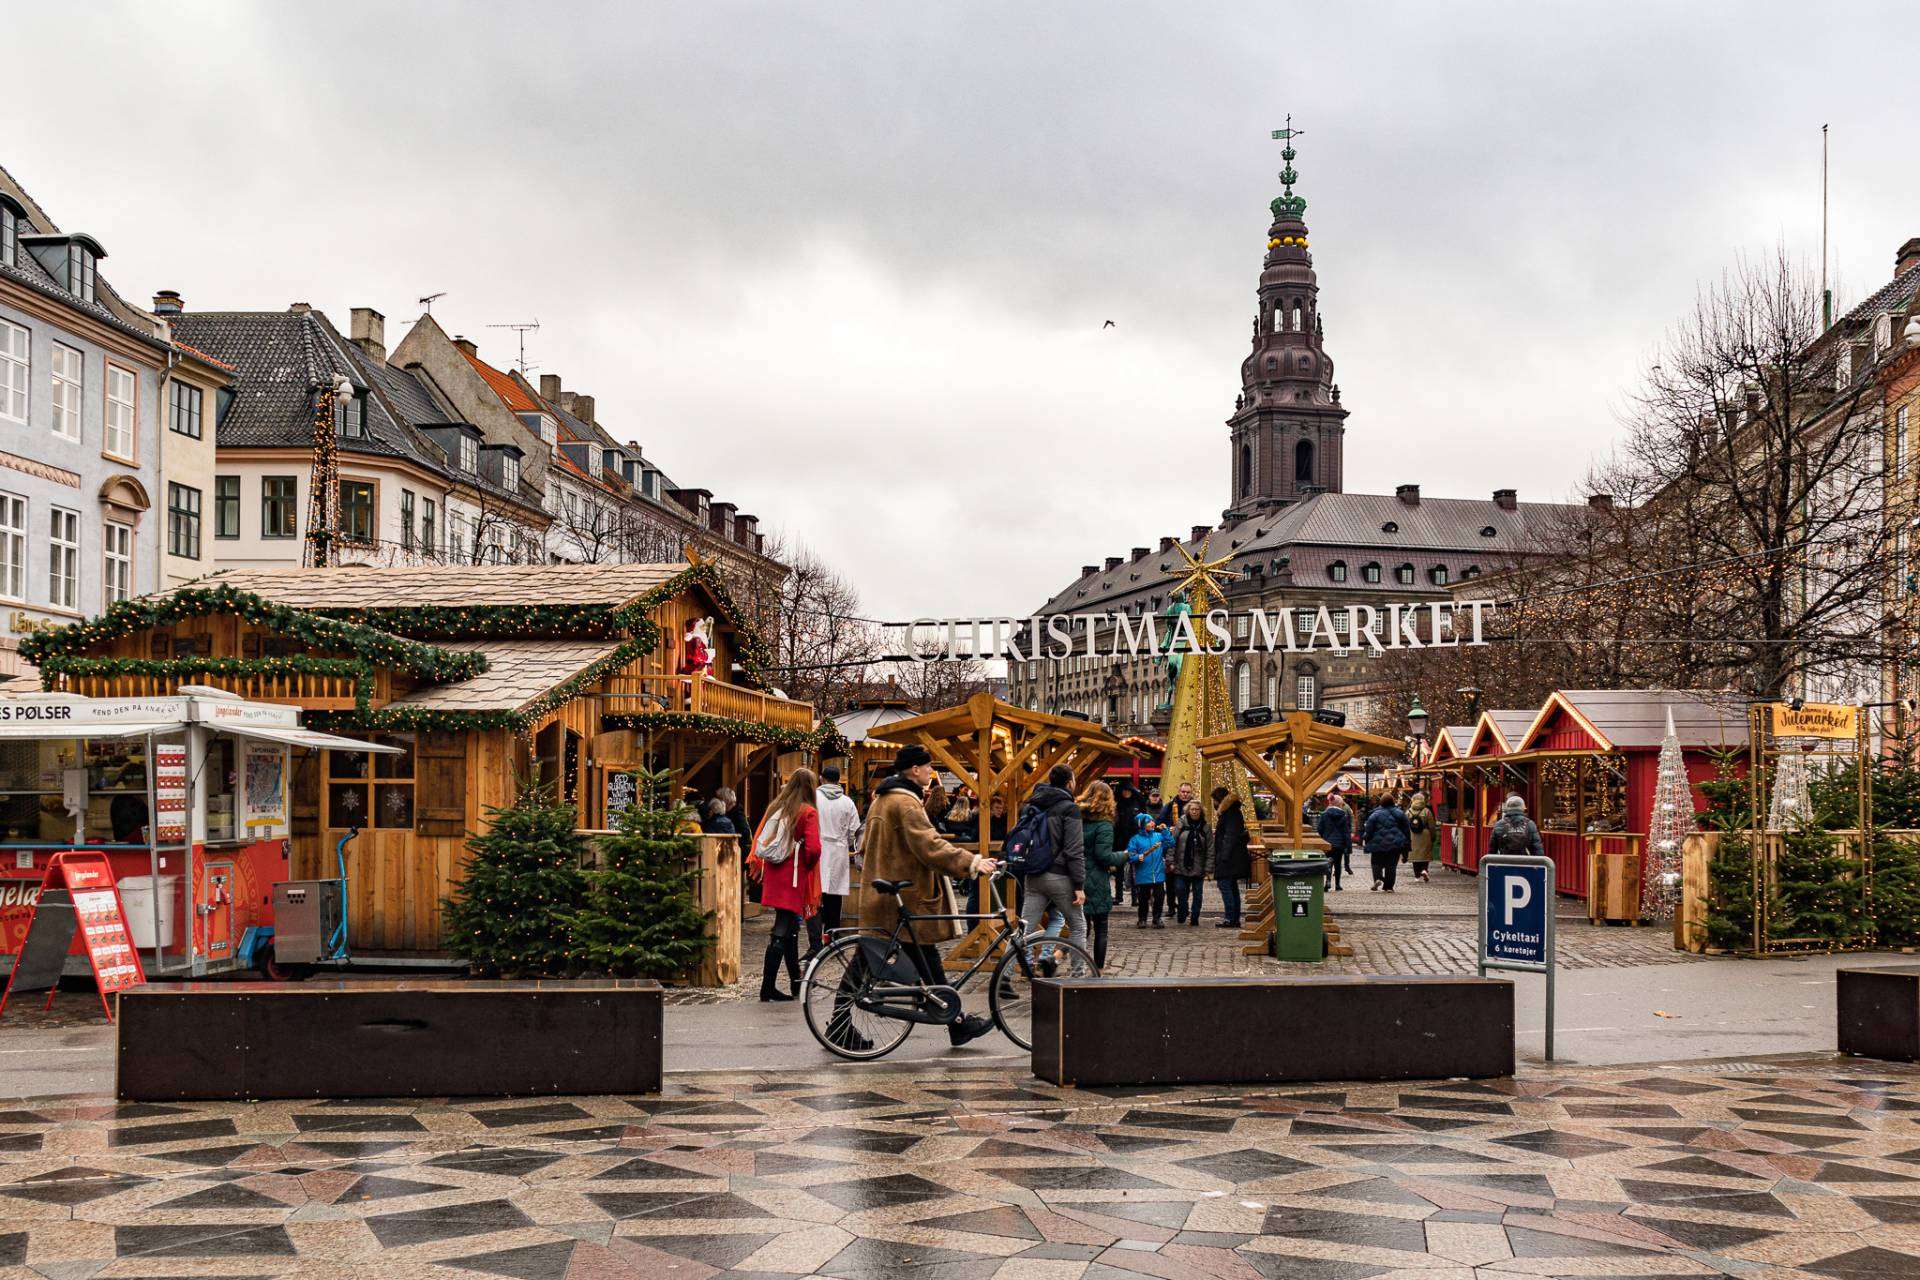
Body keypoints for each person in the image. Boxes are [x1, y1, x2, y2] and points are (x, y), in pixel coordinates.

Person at [852, 746, 1001, 1047]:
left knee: (904, 957)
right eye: (928, 767)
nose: (931, 772)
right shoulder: (905, 803)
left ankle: (955, 1021)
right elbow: (930, 845)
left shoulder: (882, 798)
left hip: (884, 892)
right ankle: (955, 1022)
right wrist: (972, 863)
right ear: (915, 769)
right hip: (904, 895)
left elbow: (868, 843)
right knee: (878, 960)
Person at [753, 769, 822, 1002]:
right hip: (793, 876)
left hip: (775, 874)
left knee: (791, 929)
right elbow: (813, 850)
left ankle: (795, 984)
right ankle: (767, 988)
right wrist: (807, 861)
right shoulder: (808, 812)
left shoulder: (777, 807)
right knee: (783, 930)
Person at [1016, 764, 1087, 967]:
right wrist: (1079, 885)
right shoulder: (1069, 808)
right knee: (1078, 927)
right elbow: (1074, 850)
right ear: (1069, 782)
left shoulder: (1032, 804)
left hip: (1033, 874)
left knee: (1024, 930)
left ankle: (1005, 975)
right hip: (1059, 875)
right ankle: (1078, 978)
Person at [1077, 780, 1124, 969]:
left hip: (1076, 875)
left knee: (1080, 927)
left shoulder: (1077, 819)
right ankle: (1098, 968)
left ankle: (1073, 962)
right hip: (1096, 878)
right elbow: (1104, 856)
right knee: (1101, 927)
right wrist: (1124, 856)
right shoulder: (1104, 825)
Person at [813, 765, 863, 942]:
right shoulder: (847, 802)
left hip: (818, 848)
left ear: (821, 778)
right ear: (839, 780)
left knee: (817, 892)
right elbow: (855, 830)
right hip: (838, 850)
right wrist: (846, 843)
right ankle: (832, 932)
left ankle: (815, 934)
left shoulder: (814, 799)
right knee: (834, 894)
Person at [1211, 786, 1250, 928]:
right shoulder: (1232, 812)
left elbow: (1230, 836)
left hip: (1229, 858)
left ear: (1219, 800)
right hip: (1232, 857)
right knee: (1231, 887)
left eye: (1214, 800)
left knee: (1225, 886)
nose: (1213, 803)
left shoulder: (1230, 813)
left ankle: (1231, 918)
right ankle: (1233, 918)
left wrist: (1223, 857)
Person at [1168, 798, 1210, 926]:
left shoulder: (1205, 827)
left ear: (1201, 811)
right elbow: (1172, 843)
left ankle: (1195, 916)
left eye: (1197, 809)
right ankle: (1182, 911)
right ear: (1188, 811)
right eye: (1192, 809)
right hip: (1181, 864)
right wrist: (1170, 860)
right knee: (1180, 890)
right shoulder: (1181, 824)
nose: (1195, 812)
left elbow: (1210, 848)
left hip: (1199, 866)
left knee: (1197, 893)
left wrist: (1209, 867)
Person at [1362, 791, 1411, 892]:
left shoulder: (1374, 814)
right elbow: (1406, 829)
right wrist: (1407, 844)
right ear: (1393, 801)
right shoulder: (1400, 813)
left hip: (1377, 844)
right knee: (1391, 865)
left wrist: (1366, 839)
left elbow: (1369, 830)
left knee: (1376, 863)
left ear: (1381, 802)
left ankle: (1378, 878)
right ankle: (1388, 887)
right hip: (1395, 844)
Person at [1128, 814, 1166, 927]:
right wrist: (1137, 857)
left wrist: (1165, 831)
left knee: (1159, 897)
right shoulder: (1135, 839)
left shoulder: (1158, 836)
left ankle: (1157, 918)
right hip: (1143, 874)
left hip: (1158, 874)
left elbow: (1170, 843)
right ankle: (1142, 918)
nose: (1153, 823)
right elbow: (1130, 855)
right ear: (1142, 825)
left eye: (1153, 821)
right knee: (1143, 899)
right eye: (1149, 822)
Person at [1113, 782, 1145, 906]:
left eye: (1128, 790)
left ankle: (1135, 897)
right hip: (1119, 840)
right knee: (1119, 870)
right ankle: (1118, 896)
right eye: (1124, 790)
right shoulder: (1117, 804)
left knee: (1134, 869)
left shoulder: (1138, 803)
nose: (1126, 793)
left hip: (1134, 839)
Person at [1315, 792, 1351, 892]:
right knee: (1338, 864)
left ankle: (1328, 881)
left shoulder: (1325, 815)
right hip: (1339, 844)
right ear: (1339, 804)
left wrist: (1323, 837)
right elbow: (1346, 832)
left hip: (1328, 843)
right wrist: (1348, 846)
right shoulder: (1343, 816)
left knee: (1328, 863)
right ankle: (1338, 885)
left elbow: (1319, 828)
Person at [1406, 790, 1435, 882]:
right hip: (1425, 834)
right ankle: (1424, 870)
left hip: (1412, 835)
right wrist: (1432, 837)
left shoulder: (1408, 812)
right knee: (1425, 854)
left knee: (1415, 856)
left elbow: (1405, 826)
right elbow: (1432, 826)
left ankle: (1417, 876)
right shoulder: (1427, 811)